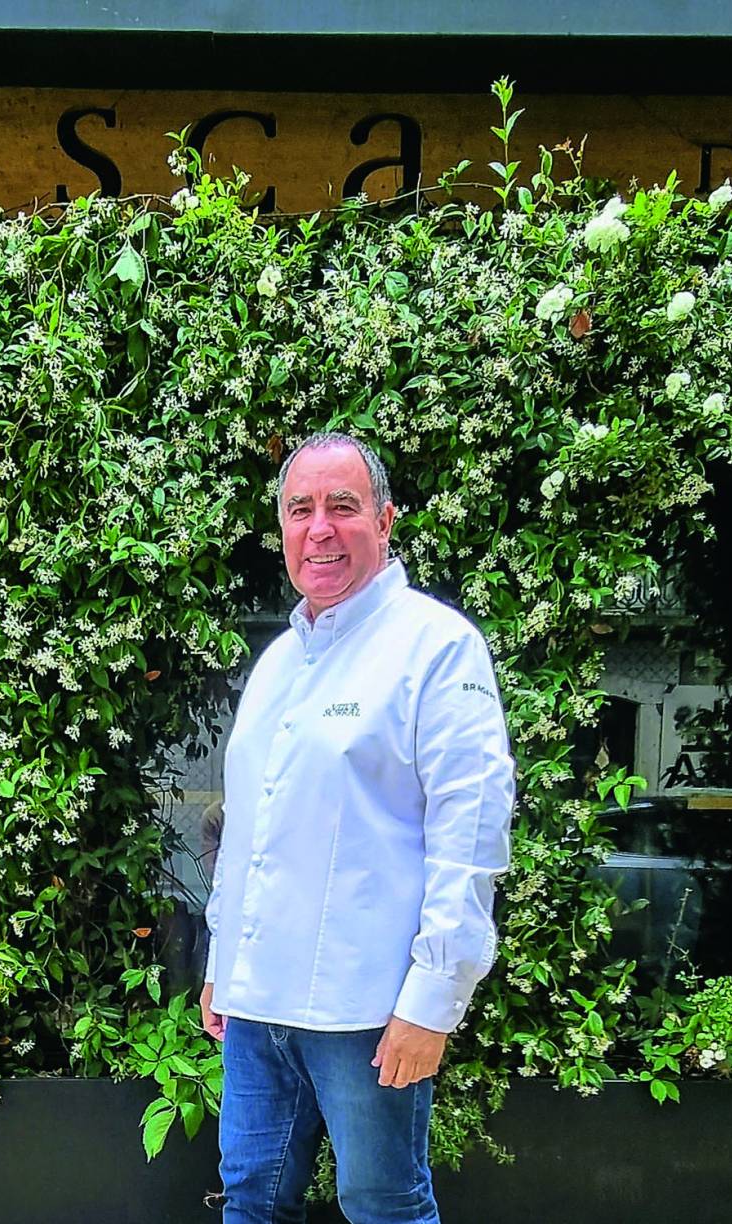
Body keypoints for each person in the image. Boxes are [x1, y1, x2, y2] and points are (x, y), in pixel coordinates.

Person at [199, 432, 515, 1224]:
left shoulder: (436, 648)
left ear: (385, 519)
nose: (320, 528)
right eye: (300, 510)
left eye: (343, 506)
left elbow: (468, 835)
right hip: (259, 1004)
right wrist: (221, 959)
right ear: (281, 529)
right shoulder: (276, 664)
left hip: (367, 1011)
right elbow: (250, 832)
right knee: (251, 1197)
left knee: (383, 1205)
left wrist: (434, 998)